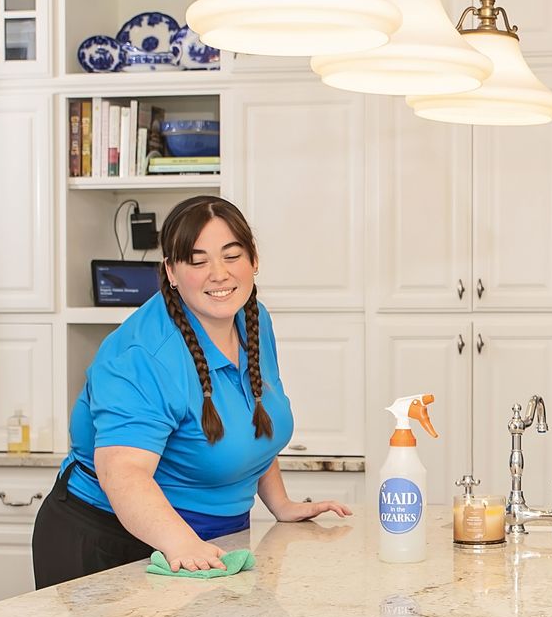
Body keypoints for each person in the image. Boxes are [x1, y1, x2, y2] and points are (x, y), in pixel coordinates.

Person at [32, 196, 351, 588]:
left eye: (231, 256)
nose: (219, 273)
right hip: (116, 541)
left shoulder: (253, 320)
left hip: (207, 540)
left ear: (254, 261)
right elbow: (124, 473)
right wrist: (183, 544)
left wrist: (281, 505)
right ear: (171, 271)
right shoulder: (143, 354)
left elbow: (249, 420)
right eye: (198, 261)